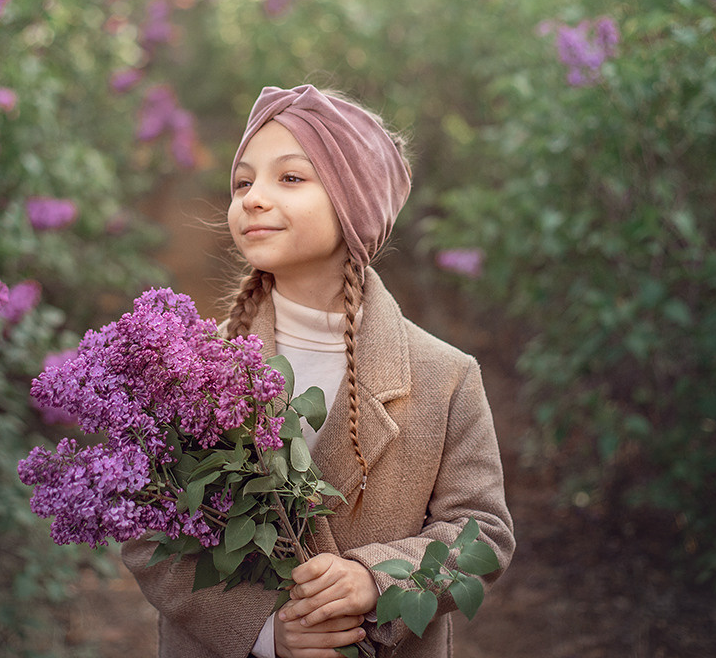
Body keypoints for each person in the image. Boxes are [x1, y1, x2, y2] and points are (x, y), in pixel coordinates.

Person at [121, 84, 515, 658]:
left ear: (353, 204)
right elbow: (145, 532)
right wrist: (264, 632)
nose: (253, 198)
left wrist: (375, 579)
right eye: (242, 182)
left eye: (290, 178)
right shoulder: (192, 367)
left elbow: (484, 536)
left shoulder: (445, 376)